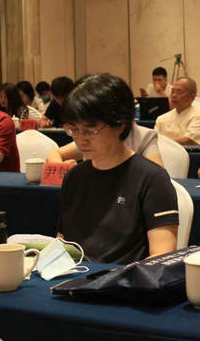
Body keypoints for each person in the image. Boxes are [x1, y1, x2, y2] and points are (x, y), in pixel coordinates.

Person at [58, 73, 178, 264]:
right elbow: (63, 242)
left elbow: (161, 258)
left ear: (120, 124)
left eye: (90, 130)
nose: (81, 139)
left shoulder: (152, 179)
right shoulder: (74, 177)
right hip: (76, 276)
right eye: (74, 129)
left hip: (126, 278)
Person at [155, 77, 200, 146]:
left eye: (179, 92)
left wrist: (163, 142)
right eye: (172, 91)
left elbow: (189, 141)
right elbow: (154, 141)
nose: (174, 95)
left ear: (192, 96)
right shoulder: (161, 118)